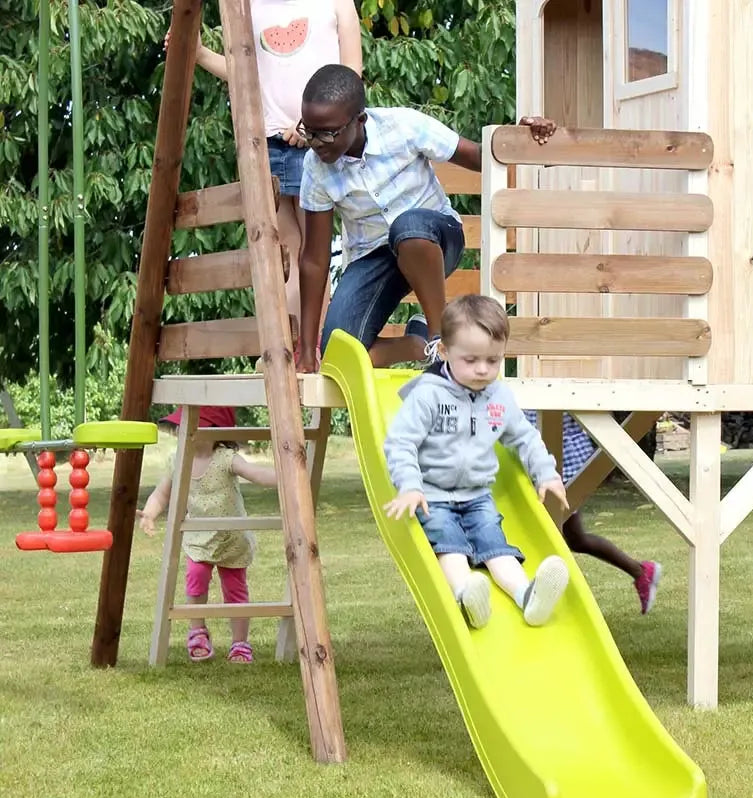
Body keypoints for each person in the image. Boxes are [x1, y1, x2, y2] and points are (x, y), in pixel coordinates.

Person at [293, 64, 556, 374]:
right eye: (307, 130)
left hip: (434, 239)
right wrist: (308, 351)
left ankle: (440, 337)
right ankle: (420, 345)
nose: (316, 142)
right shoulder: (316, 167)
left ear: (359, 120)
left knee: (409, 226)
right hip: (375, 259)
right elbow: (314, 258)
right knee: (339, 355)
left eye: (327, 133)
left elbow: (479, 156)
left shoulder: (403, 126)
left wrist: (519, 138)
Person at [166, 0, 362, 334]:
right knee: (283, 252)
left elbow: (352, 76)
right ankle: (288, 345)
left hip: (320, 143)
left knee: (314, 253)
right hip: (268, 142)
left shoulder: (337, 3)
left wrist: (311, 126)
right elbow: (245, 72)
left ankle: (313, 348)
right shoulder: (248, 7)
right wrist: (198, 53)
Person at [382, 295, 571, 630]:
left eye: (493, 360)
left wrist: (545, 473)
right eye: (470, 360)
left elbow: (525, 437)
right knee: (448, 545)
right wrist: (409, 486)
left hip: (477, 496)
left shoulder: (499, 398)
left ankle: (528, 596)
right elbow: (401, 442)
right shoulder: (428, 395)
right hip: (433, 495)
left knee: (496, 546)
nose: (483, 369)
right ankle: (465, 594)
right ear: (444, 353)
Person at [137, 406, 278, 663]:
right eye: (181, 425)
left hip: (231, 538)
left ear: (214, 431)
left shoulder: (226, 458)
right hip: (198, 537)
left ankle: (240, 643)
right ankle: (197, 631)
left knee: (235, 591)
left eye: (191, 425)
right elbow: (162, 493)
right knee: (195, 578)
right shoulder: (179, 459)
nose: (182, 430)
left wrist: (283, 476)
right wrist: (150, 512)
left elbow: (256, 474)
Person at [523, 411, 662, 615]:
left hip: (562, 461)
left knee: (554, 534)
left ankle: (553, 599)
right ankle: (641, 571)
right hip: (553, 461)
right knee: (575, 538)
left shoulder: (546, 386)